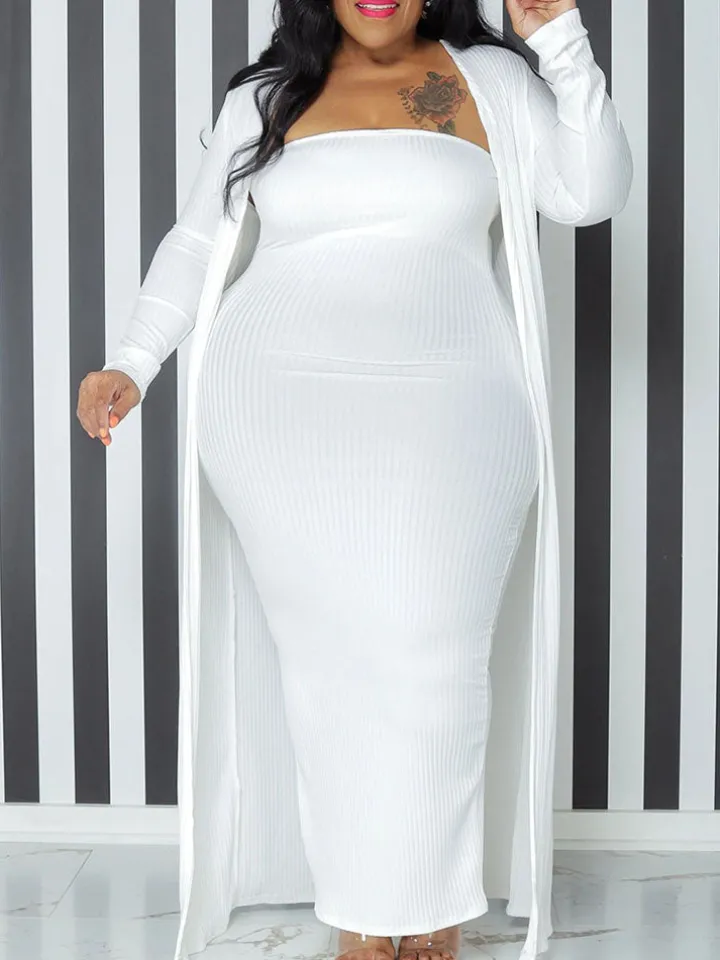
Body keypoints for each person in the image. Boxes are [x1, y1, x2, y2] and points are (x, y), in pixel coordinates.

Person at [76, 1, 632, 959]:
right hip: (280, 402)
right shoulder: (268, 95)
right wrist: (132, 359)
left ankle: (429, 901)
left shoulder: (492, 81)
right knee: (329, 659)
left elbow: (589, 192)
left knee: (435, 647)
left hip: (457, 393)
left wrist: (561, 45)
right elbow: (197, 239)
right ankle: (363, 914)